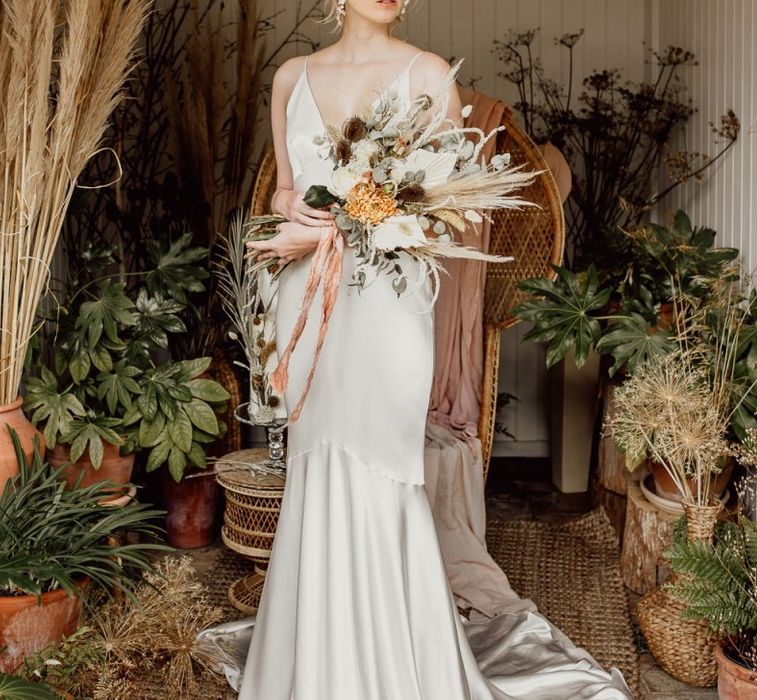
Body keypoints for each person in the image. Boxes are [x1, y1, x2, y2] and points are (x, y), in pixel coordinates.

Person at [239, 1, 633, 697]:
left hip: (388, 309)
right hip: (310, 302)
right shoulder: (289, 77)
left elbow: (452, 209)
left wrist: (337, 228)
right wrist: (293, 211)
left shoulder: (426, 75)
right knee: (316, 469)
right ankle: (318, 665)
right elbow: (283, 190)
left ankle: (398, 665)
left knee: (386, 471)